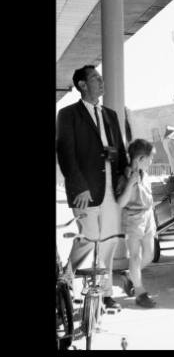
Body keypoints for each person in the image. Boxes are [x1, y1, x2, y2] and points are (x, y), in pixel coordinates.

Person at [56, 65, 128, 311]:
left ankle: (105, 293)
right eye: (95, 78)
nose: (101, 81)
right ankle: (66, 278)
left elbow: (120, 148)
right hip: (85, 191)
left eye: (100, 77)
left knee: (107, 242)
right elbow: (66, 154)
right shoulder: (67, 115)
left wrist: (124, 173)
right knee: (89, 238)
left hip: (111, 188)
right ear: (82, 85)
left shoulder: (110, 115)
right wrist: (79, 187)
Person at [116, 139, 157, 308]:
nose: (151, 161)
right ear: (140, 159)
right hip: (133, 218)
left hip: (148, 216)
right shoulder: (125, 176)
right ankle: (140, 292)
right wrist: (130, 185)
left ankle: (130, 276)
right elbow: (120, 203)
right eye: (150, 158)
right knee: (135, 255)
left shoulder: (145, 174)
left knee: (150, 254)